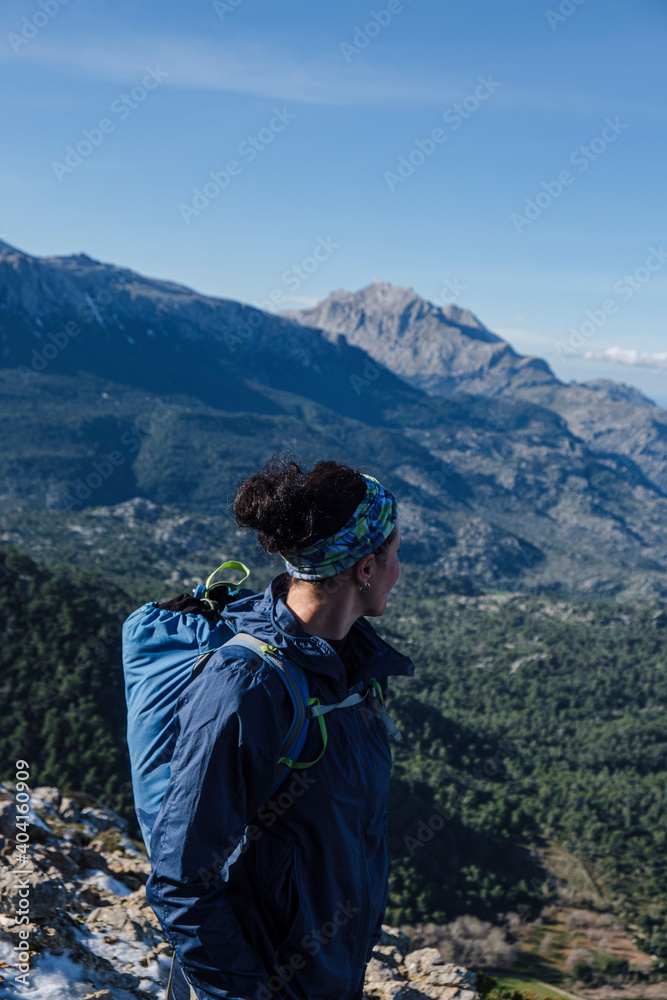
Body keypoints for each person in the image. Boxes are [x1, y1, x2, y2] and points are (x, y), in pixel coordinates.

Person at [145, 458, 415, 1000]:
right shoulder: (245, 687)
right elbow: (179, 879)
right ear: (365, 568)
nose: (398, 571)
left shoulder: (350, 669)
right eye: (395, 554)